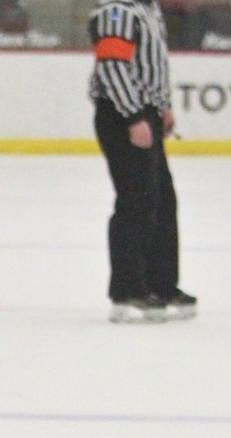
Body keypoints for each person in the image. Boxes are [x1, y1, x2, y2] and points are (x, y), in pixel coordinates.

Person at [88, 0, 197, 323]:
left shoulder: (148, 9)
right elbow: (112, 65)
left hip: (145, 112)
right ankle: (127, 290)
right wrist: (134, 115)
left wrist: (161, 107)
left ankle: (161, 285)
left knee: (162, 200)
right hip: (123, 115)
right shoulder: (117, 11)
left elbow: (150, 66)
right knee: (136, 201)